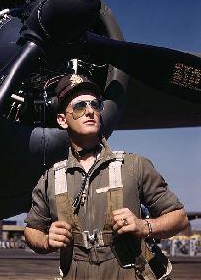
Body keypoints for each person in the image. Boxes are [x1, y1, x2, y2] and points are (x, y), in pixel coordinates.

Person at [24, 73, 188, 280]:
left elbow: (179, 218)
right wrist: (46, 241)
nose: (90, 111)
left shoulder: (134, 165)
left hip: (129, 272)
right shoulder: (50, 179)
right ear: (62, 120)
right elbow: (32, 231)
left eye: (95, 104)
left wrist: (144, 226)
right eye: (79, 106)